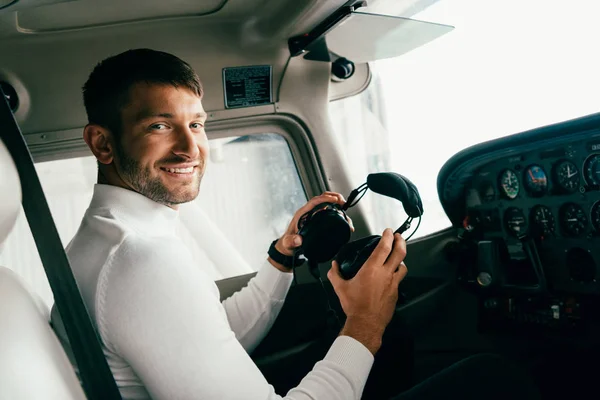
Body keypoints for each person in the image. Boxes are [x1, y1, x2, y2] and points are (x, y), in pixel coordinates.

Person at [52, 48, 541, 400]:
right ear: (102, 144)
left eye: (196, 124)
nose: (189, 147)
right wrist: (366, 322)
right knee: (491, 378)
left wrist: (281, 256)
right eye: (159, 126)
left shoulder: (110, 236)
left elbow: (214, 336)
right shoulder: (140, 258)